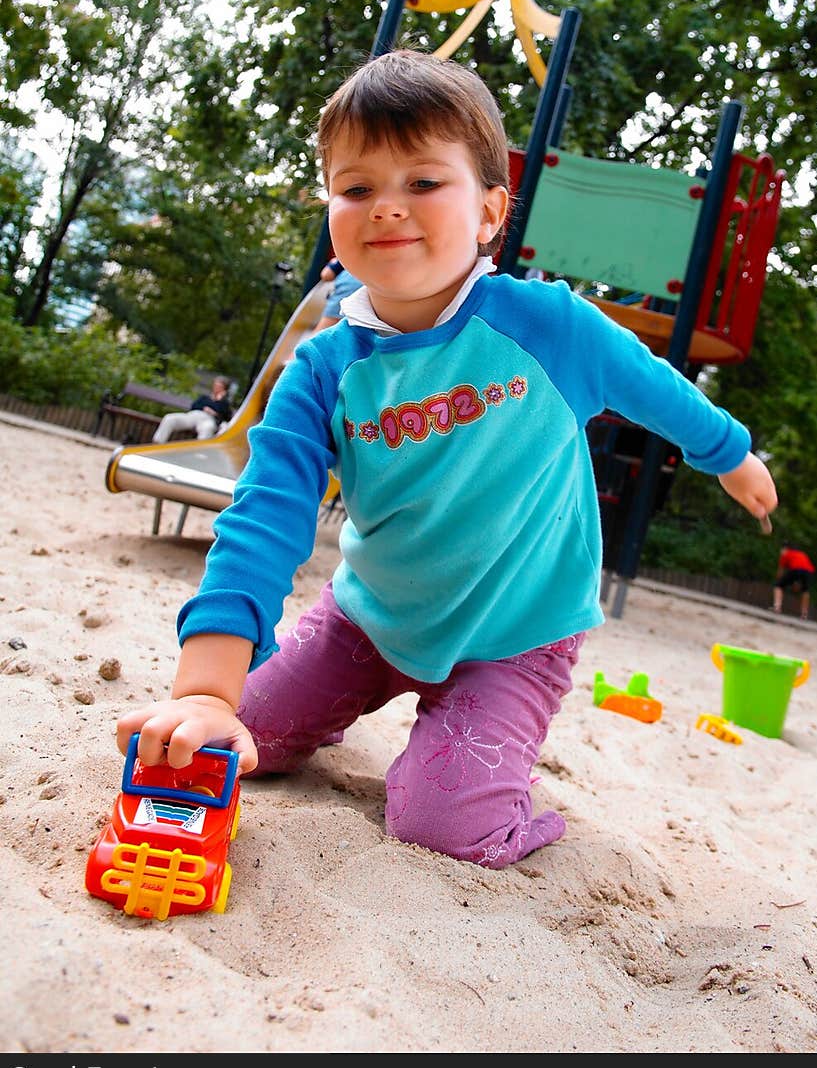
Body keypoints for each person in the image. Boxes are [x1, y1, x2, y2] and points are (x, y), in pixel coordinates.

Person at [118, 49, 777, 871]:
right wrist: (205, 693)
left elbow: (659, 391)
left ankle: (500, 784)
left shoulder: (546, 327)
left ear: (492, 212)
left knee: (443, 823)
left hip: (515, 632)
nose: (387, 207)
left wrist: (732, 455)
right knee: (256, 736)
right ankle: (315, 701)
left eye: (424, 182)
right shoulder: (323, 370)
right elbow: (263, 518)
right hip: (373, 616)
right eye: (357, 188)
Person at [151, 376, 233, 444]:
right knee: (169, 418)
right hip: (194, 415)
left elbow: (226, 416)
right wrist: (204, 408)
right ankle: (157, 442)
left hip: (208, 420)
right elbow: (194, 406)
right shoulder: (204, 398)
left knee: (208, 428)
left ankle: (199, 454)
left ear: (224, 389)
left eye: (219, 386)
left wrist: (219, 401)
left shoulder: (225, 403)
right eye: (215, 385)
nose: (216, 388)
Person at [313, 255, 363, 333]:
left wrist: (332, 263)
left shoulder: (346, 256)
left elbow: (326, 275)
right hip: (371, 296)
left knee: (323, 331)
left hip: (346, 291)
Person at [773, 542, 816, 619]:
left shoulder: (786, 553)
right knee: (805, 590)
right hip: (809, 572)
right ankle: (804, 613)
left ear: (785, 548)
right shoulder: (802, 554)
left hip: (796, 569)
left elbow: (780, 570)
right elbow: (802, 569)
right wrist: (795, 582)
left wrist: (778, 580)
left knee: (778, 586)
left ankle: (777, 607)